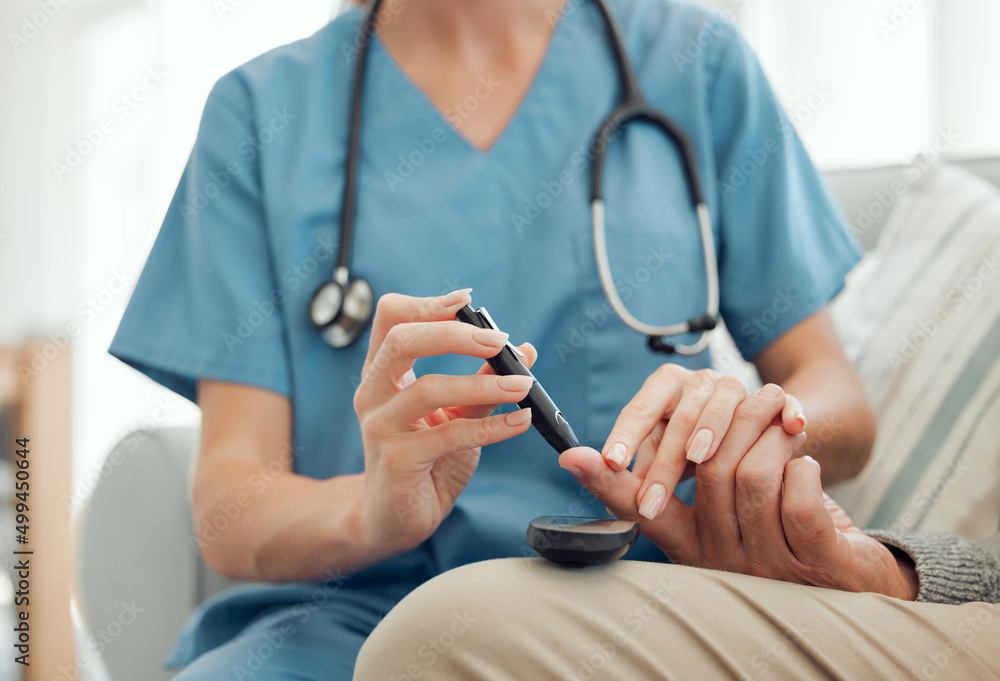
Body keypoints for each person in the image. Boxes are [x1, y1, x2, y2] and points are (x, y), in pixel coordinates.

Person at [106, 0, 930, 677]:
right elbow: (228, 505)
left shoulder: (699, 65)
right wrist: (370, 510)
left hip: (659, 603)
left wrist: (737, 425)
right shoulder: (261, 112)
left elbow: (836, 402)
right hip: (351, 621)